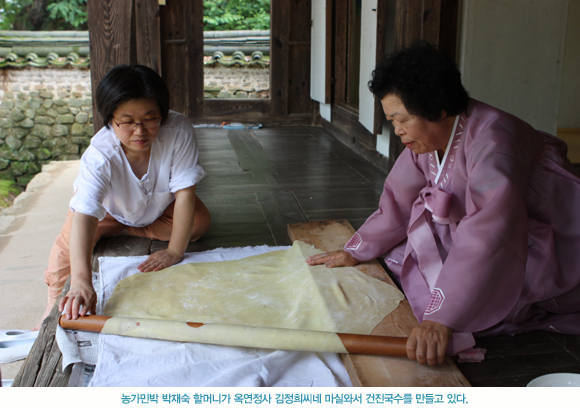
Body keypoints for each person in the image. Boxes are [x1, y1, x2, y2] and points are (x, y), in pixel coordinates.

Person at [307, 42, 580, 366]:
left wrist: (442, 319)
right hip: (482, 226)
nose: (397, 131)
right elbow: (399, 197)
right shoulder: (430, 135)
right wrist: (357, 249)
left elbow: (488, 237)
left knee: (491, 302)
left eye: (402, 120)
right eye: (392, 121)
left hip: (537, 229)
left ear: (438, 109)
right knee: (400, 260)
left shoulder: (494, 146)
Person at [35, 65, 211, 330]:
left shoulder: (179, 131)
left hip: (159, 210)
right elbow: (85, 214)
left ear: (162, 114)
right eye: (127, 122)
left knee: (199, 222)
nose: (139, 131)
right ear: (110, 119)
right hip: (106, 214)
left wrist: (175, 251)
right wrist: (82, 281)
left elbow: (185, 195)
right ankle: (50, 308)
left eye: (150, 119)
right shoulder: (100, 154)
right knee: (64, 254)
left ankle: (126, 229)